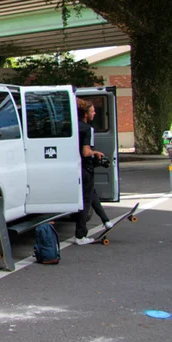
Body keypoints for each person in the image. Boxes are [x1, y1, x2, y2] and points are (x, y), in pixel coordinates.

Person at [73, 99, 107, 245]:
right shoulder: (87, 129)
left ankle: (106, 220)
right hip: (86, 167)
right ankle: (80, 235)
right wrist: (96, 152)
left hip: (75, 167)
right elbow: (86, 152)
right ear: (86, 114)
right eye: (92, 111)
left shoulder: (74, 126)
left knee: (91, 194)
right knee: (85, 202)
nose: (95, 113)